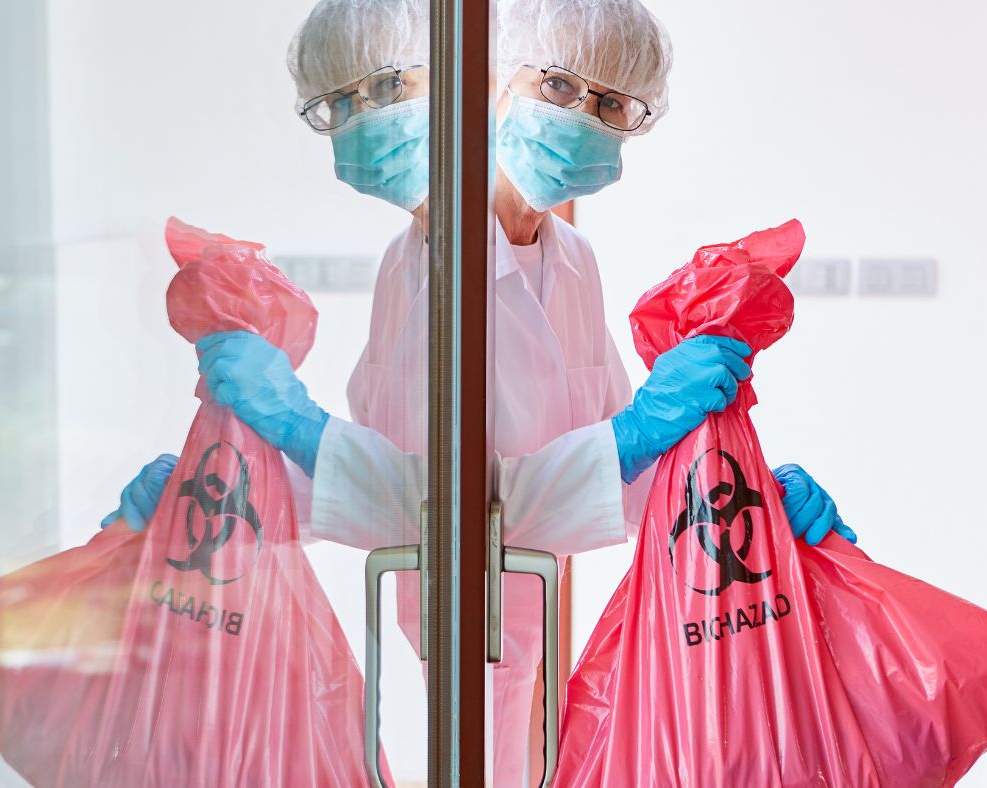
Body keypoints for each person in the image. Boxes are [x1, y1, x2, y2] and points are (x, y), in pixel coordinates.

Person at [104, 0, 856, 782]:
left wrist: (738, 500)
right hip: (461, 623)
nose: (583, 116)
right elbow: (440, 503)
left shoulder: (571, 260)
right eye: (346, 102)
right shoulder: (410, 261)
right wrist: (231, 489)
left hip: (511, 619)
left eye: (608, 103)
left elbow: (603, 482)